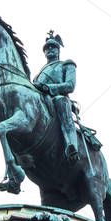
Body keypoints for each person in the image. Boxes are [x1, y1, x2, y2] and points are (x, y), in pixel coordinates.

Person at [33, 31, 80, 165]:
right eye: (47, 48)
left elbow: (70, 86)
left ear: (58, 50)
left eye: (52, 47)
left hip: (58, 99)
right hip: (41, 101)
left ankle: (72, 145)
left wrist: (49, 88)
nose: (49, 50)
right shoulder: (37, 75)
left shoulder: (66, 64)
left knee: (61, 101)